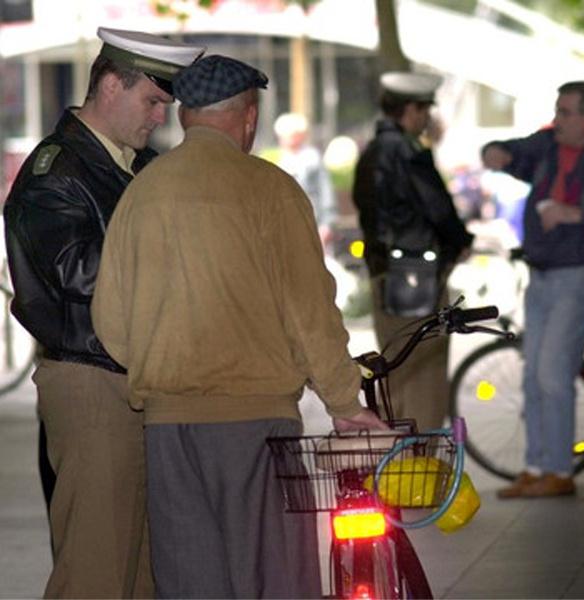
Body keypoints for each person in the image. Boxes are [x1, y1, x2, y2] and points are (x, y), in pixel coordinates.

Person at [90, 55, 386, 598]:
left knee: (190, 581)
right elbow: (310, 315)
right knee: (273, 577)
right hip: (257, 426)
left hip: (168, 429)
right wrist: (346, 404)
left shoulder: (142, 193)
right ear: (248, 117)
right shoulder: (271, 190)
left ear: (186, 116)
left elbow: (111, 321)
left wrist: (166, 367)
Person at [3, 27, 205, 598]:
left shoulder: (136, 164)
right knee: (94, 569)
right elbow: (76, 271)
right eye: (153, 102)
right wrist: (175, 254)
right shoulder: (56, 171)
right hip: (91, 380)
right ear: (112, 84)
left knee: (139, 570)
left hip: (133, 377)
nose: (159, 118)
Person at [483, 81, 584, 498]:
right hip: (541, 272)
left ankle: (560, 470)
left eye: (566, 111)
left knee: (554, 372)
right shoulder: (547, 144)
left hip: (578, 274)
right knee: (533, 374)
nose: (558, 119)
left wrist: (576, 214)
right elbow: (513, 151)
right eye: (557, 110)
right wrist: (495, 152)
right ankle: (535, 468)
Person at [352, 71, 473, 432]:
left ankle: (398, 466)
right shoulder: (408, 152)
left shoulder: (371, 152)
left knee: (395, 369)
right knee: (424, 375)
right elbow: (438, 209)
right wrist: (459, 244)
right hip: (418, 275)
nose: (427, 118)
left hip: (385, 273)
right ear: (411, 110)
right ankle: (420, 465)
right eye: (424, 110)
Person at [273, 112, 337, 248]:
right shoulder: (277, 158)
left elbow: (325, 191)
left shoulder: (312, 158)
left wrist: (327, 223)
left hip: (312, 220)